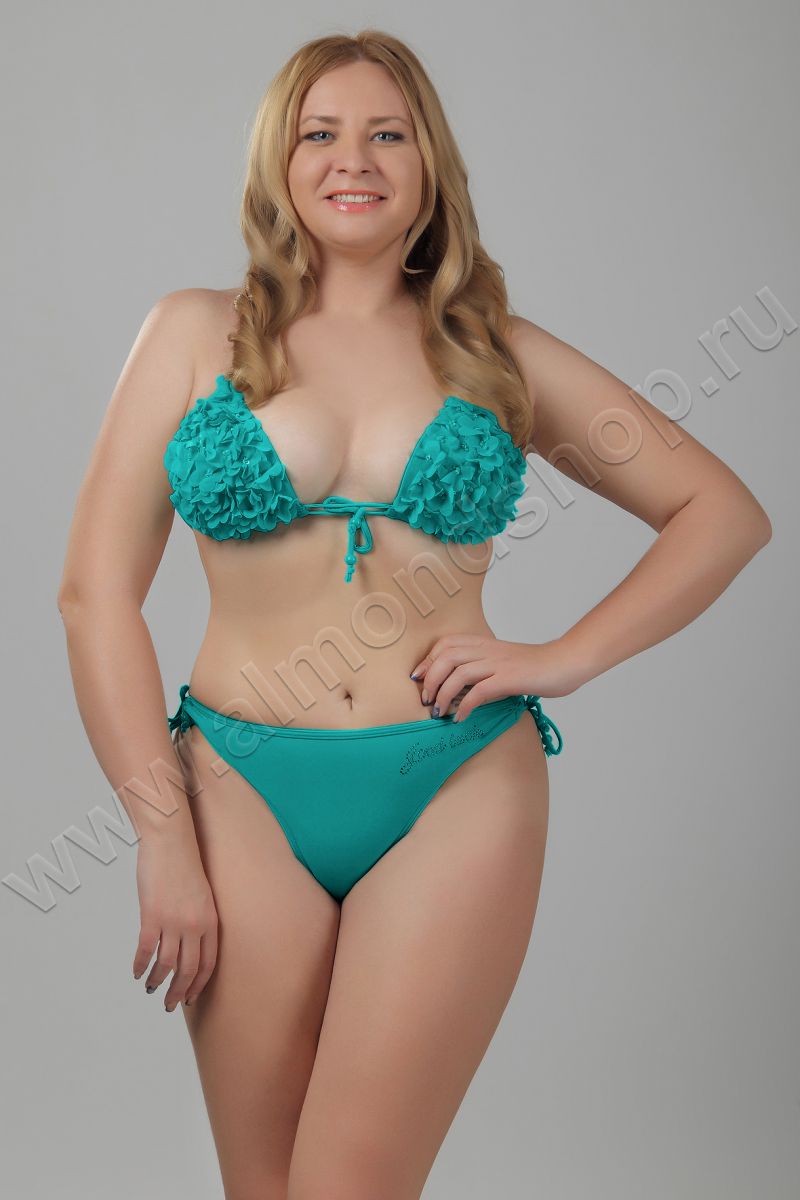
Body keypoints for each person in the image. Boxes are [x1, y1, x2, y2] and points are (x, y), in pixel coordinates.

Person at [56, 29, 772, 1200]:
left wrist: (564, 657)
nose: (354, 159)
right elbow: (93, 597)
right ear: (279, 161)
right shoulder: (192, 333)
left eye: (387, 133)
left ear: (428, 163)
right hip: (235, 787)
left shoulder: (491, 353)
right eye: (320, 133)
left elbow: (719, 513)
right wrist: (162, 838)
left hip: (455, 785)